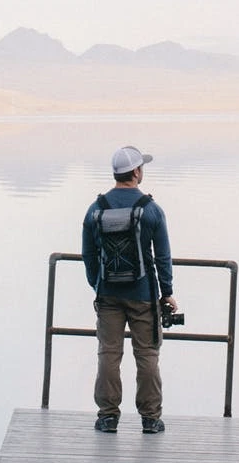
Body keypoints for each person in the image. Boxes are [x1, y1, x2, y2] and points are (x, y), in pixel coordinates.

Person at [81, 145, 178, 434]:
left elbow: (88, 254)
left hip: (108, 295)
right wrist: (167, 292)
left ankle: (108, 416)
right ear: (136, 172)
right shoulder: (151, 210)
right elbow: (162, 257)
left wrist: (98, 282)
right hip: (143, 295)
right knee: (147, 355)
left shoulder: (96, 208)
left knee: (109, 354)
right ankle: (150, 418)